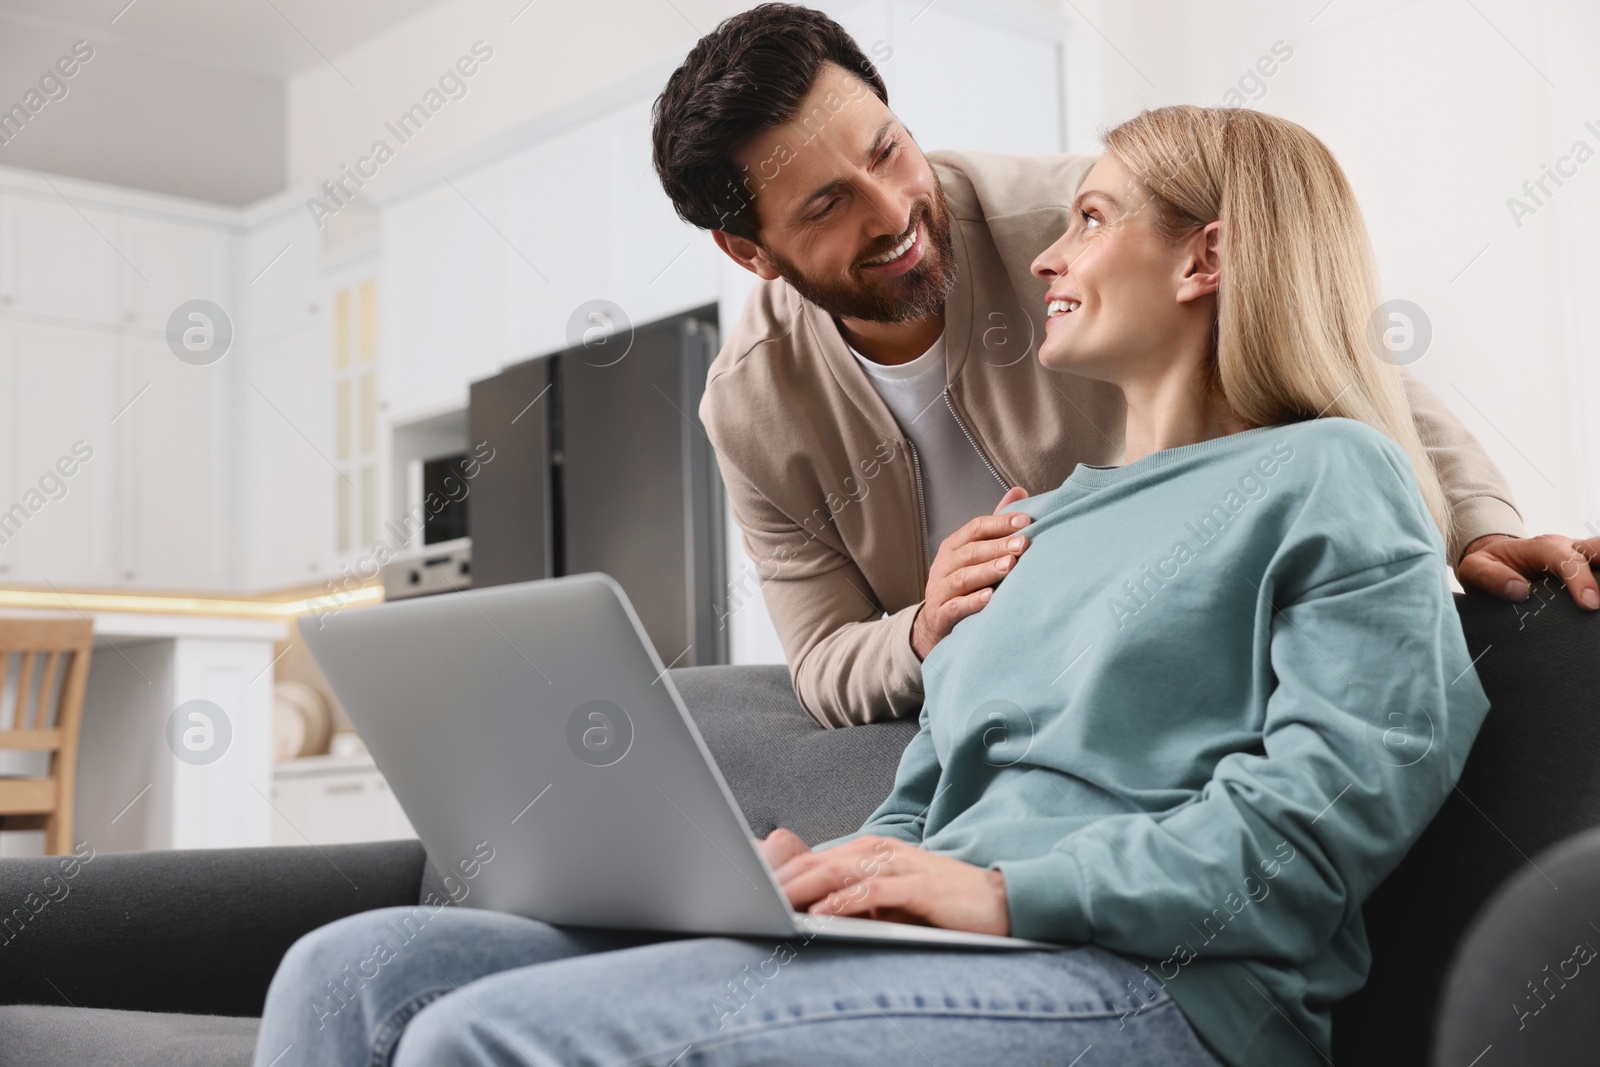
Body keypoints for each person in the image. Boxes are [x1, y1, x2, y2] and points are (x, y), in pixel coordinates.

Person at [252, 104, 1489, 1067]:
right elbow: (929, 798)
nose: (1047, 254)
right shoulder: (1025, 526)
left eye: (1094, 220)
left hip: (1155, 986)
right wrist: (831, 872)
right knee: (351, 968)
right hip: (961, 940)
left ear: (1204, 257)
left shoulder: (1329, 475)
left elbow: (1309, 836)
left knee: (485, 1038)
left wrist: (1005, 891)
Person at [652, 3, 1600, 729]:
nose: (894, 209)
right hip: (1001, 713)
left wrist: (1472, 525)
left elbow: (1315, 341)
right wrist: (923, 628)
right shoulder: (752, 407)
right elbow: (822, 656)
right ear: (752, 252)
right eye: (825, 205)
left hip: (1165, 669)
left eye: (888, 150)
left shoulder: (1081, 221)